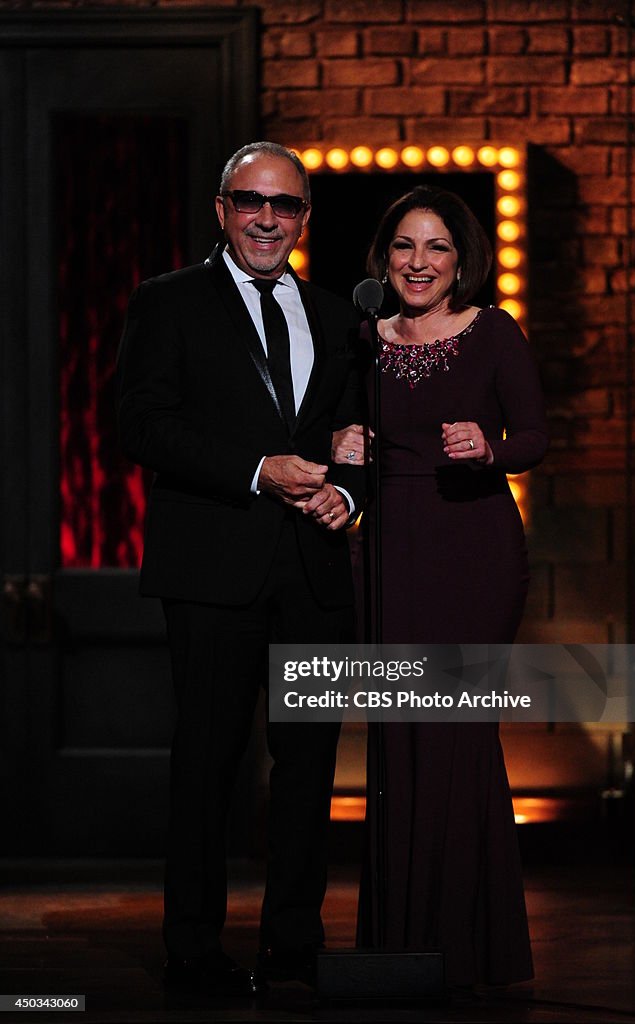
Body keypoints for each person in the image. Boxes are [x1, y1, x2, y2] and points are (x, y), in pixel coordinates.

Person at [116, 141, 364, 995]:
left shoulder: (338, 318)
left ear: (302, 219)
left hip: (316, 573)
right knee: (208, 766)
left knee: (308, 770)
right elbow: (139, 426)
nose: (267, 217)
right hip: (212, 568)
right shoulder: (168, 302)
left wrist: (349, 498)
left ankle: (292, 942)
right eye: (250, 201)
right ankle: (192, 948)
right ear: (221, 209)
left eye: (285, 205)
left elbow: (355, 440)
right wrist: (257, 469)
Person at [334, 185, 548, 991]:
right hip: (387, 557)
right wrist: (338, 443)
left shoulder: (492, 331)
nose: (417, 263)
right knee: (398, 739)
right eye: (403, 247)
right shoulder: (360, 340)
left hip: (474, 554)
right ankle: (398, 945)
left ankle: (468, 950)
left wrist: (488, 447)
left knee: (456, 735)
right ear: (382, 257)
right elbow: (335, 443)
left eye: (435, 249)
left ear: (462, 261)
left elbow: (534, 436)